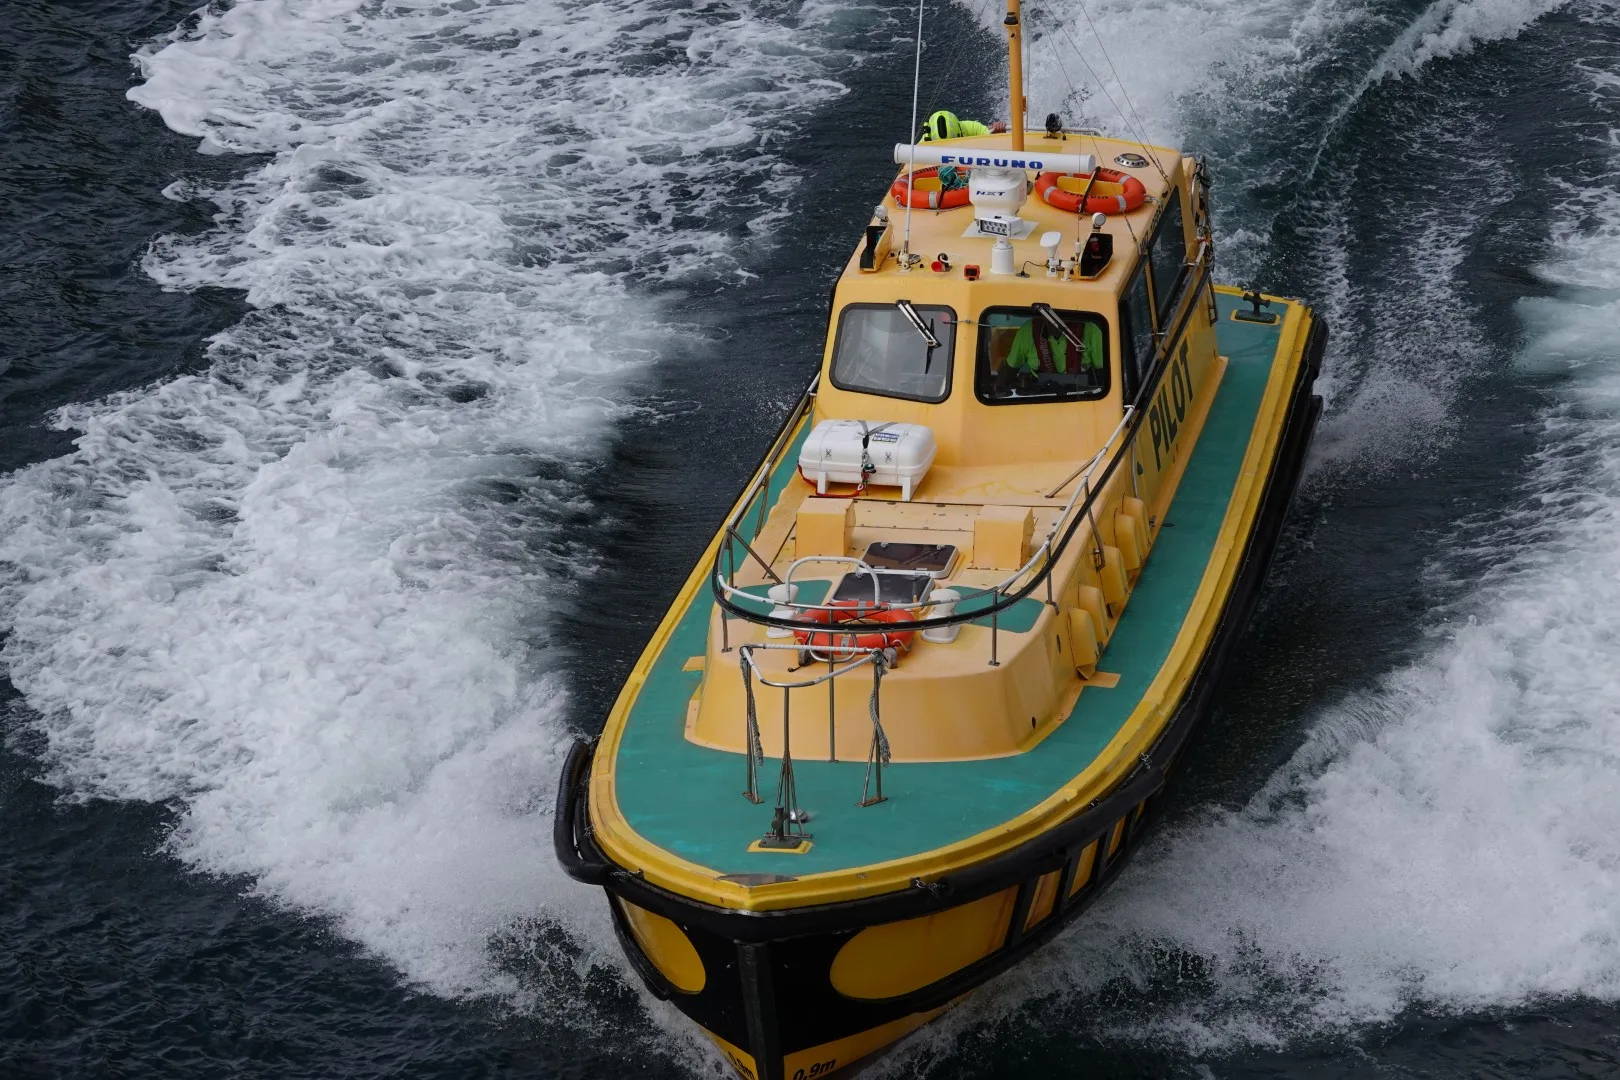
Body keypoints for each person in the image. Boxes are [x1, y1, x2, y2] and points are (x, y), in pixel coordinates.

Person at [1003, 314, 1104, 385]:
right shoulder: (1028, 330)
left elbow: (1103, 371)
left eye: (1060, 314)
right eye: (1050, 313)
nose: (1055, 320)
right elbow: (1011, 368)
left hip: (1082, 391)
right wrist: (1000, 387)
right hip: (1040, 391)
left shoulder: (1091, 329)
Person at [920, 109, 1008, 142]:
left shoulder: (972, 127)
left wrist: (998, 130)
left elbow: (989, 135)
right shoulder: (923, 144)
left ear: (960, 131)